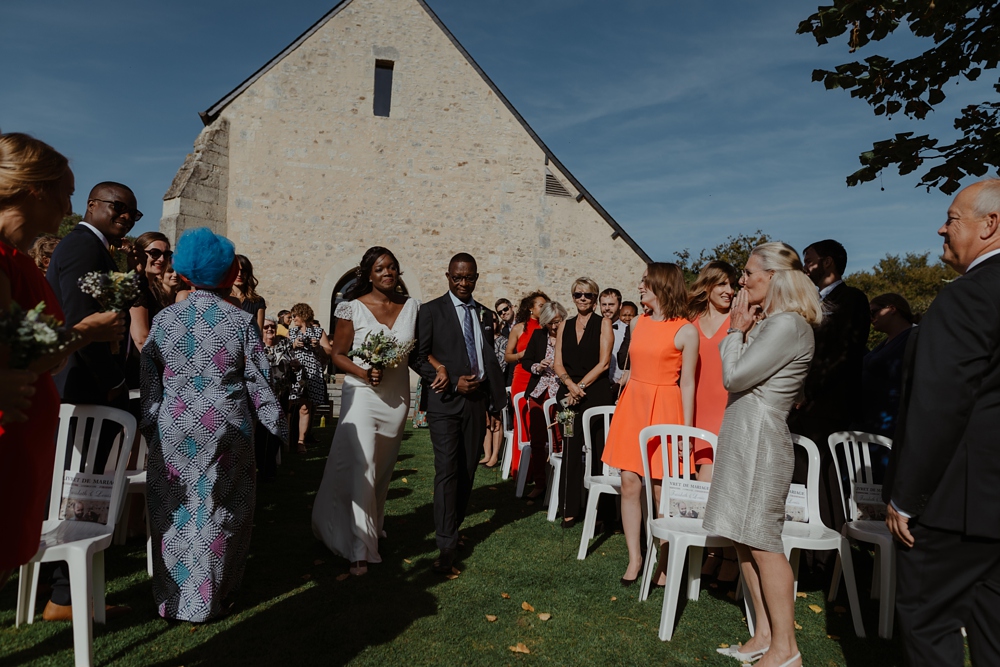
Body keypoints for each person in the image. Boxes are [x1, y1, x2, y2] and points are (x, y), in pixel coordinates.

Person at [140, 227, 286, 622]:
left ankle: (175, 598)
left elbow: (150, 379)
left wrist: (151, 424)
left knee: (173, 509)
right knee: (224, 509)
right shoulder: (239, 322)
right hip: (226, 428)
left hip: (174, 427)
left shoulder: (165, 320)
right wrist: (279, 428)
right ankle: (215, 596)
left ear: (185, 272)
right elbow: (259, 379)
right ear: (226, 273)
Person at [883, 180, 1000, 667]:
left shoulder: (967, 297)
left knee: (929, 622)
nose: (941, 227)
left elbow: (939, 405)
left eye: (952, 218)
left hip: (957, 504)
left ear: (989, 225)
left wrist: (907, 497)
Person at [0, 133, 124, 591]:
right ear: (35, 190)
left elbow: (36, 358)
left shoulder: (24, 263)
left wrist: (77, 337)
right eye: (67, 191)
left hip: (24, 438)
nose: (71, 203)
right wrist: (84, 333)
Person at [702, 242, 821, 667]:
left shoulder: (788, 324)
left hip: (760, 443)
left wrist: (735, 330)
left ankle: (787, 651)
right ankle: (764, 636)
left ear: (774, 277)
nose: (742, 280)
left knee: (764, 543)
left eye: (750, 273)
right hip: (743, 436)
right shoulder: (773, 323)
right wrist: (746, 330)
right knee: (743, 539)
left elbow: (734, 376)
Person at [45, 180, 138, 620]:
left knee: (84, 487)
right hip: (85, 388)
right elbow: (84, 324)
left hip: (85, 385)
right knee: (84, 488)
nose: (125, 217)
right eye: (118, 207)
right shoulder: (83, 246)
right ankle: (64, 595)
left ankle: (63, 591)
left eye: (132, 214)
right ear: (92, 205)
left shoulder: (95, 249)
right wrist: (113, 382)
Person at [312, 247, 419, 576]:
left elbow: (417, 351)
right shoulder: (351, 308)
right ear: (368, 275)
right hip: (361, 395)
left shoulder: (411, 306)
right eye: (380, 269)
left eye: (392, 268)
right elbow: (338, 355)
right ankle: (359, 549)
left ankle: (370, 525)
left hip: (395, 398)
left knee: (382, 471)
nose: (388, 273)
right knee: (361, 466)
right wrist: (362, 372)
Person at [601, 264, 698, 584]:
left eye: (645, 282)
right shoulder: (639, 322)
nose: (639, 286)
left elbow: (688, 385)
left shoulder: (686, 330)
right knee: (629, 482)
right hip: (634, 405)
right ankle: (635, 558)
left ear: (661, 286)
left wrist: (685, 432)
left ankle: (667, 563)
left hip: (666, 409)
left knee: (660, 491)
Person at [415, 253, 506, 574]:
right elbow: (418, 356)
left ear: (476, 278)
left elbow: (489, 360)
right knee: (447, 470)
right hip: (444, 402)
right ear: (448, 276)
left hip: (477, 402)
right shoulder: (431, 311)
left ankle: (453, 526)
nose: (463, 283)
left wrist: (495, 404)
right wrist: (452, 379)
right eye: (457, 277)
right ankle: (446, 544)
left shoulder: (484, 314)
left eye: (469, 278)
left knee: (468, 470)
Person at [789, 239, 870, 542]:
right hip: (800, 407)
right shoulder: (807, 302)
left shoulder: (852, 299)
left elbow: (844, 354)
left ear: (827, 262)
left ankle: (827, 552)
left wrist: (808, 391)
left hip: (828, 407)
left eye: (808, 259)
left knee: (824, 478)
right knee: (800, 475)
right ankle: (802, 550)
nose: (803, 266)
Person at [687, 261, 741, 583]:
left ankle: (729, 555)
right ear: (707, 286)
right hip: (696, 414)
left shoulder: (739, 320)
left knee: (723, 488)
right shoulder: (689, 322)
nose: (729, 290)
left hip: (727, 411)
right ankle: (712, 553)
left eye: (732, 284)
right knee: (702, 489)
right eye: (722, 284)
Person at [554, 278, 615, 527]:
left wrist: (580, 387)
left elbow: (604, 363)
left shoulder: (604, 323)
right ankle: (569, 507)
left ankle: (603, 511)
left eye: (588, 295)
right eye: (578, 294)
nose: (582, 299)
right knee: (570, 446)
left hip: (596, 392)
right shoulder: (564, 326)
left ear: (595, 298)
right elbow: (558, 363)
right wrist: (570, 386)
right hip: (568, 392)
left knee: (599, 450)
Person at [520, 301, 568, 500]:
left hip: (561, 392)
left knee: (560, 439)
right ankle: (540, 482)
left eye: (557, 322)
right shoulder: (539, 336)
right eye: (550, 323)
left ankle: (561, 484)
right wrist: (538, 367)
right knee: (537, 439)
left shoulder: (569, 335)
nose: (554, 327)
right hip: (539, 392)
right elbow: (526, 360)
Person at [505, 291, 549, 477]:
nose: (544, 308)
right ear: (531, 308)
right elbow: (507, 356)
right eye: (541, 305)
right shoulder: (519, 328)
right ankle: (521, 470)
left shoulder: (548, 328)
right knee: (522, 423)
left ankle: (539, 469)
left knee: (539, 423)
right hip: (522, 377)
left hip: (541, 378)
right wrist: (523, 355)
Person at [860, 293, 915, 437]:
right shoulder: (885, 343)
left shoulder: (914, 337)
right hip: (872, 418)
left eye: (873, 312)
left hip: (891, 421)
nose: (870, 318)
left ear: (892, 309)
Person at [287, 302, 331, 453]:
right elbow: (284, 351)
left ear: (303, 315)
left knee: (305, 407)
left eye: (295, 316)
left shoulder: (318, 332)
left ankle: (301, 441)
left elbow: (329, 352)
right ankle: (286, 439)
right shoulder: (292, 332)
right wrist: (293, 345)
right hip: (295, 372)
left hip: (312, 372)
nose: (293, 319)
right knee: (290, 405)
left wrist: (318, 347)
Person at [258, 315, 294, 481]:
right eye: (266, 327)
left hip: (281, 394)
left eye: (272, 326)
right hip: (261, 396)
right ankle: (260, 465)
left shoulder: (284, 344)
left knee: (275, 432)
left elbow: (293, 362)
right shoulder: (257, 346)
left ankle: (270, 468)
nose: (270, 330)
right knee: (261, 431)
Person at [479, 311, 506, 468]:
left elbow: (501, 366)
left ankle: (495, 454)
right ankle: (487, 453)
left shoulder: (503, 341)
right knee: (486, 420)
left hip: (496, 385)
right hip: (483, 385)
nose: (492, 323)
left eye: (495, 320)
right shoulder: (482, 340)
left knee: (497, 421)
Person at [600, 288, 628, 396]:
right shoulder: (593, 329)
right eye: (604, 304)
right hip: (597, 387)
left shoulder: (628, 332)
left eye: (611, 304)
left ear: (620, 306)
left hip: (621, 388)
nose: (607, 308)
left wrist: (618, 385)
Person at [231, 254, 266, 332]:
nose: (239, 274)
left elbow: (259, 334)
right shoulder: (221, 298)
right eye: (236, 270)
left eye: (243, 271)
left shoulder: (258, 301)